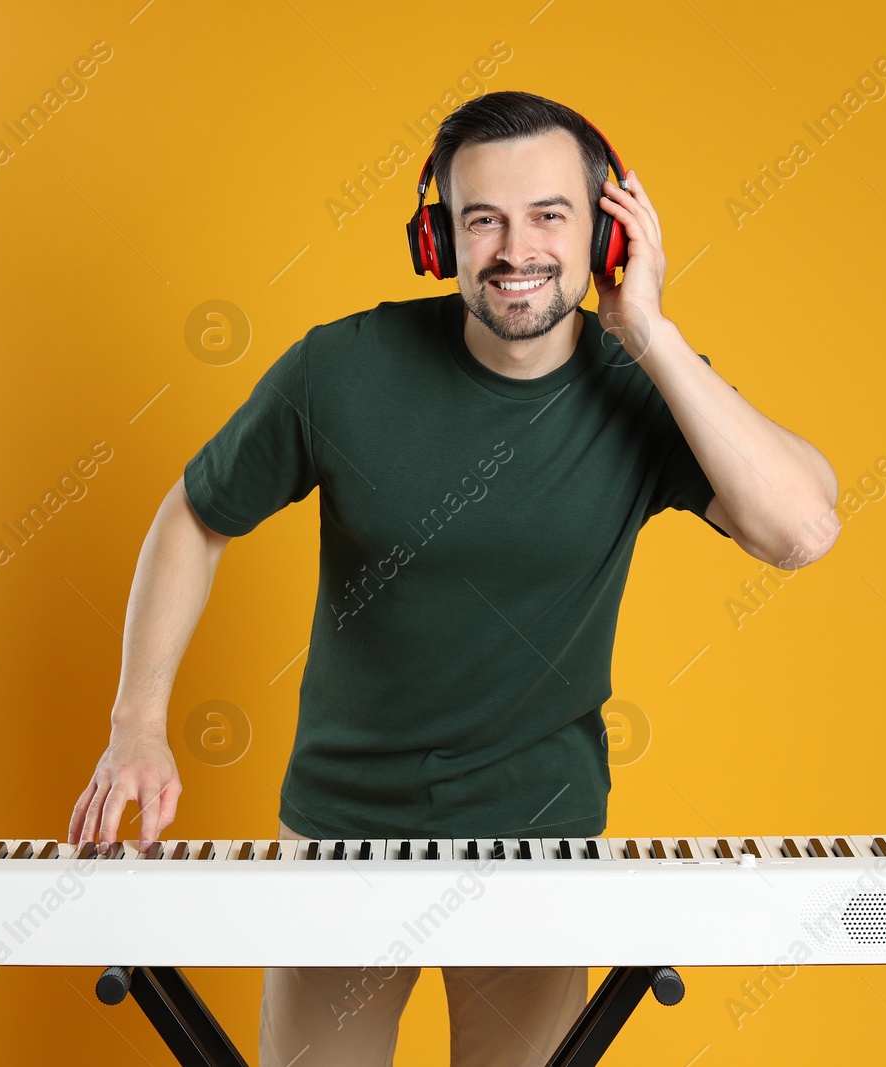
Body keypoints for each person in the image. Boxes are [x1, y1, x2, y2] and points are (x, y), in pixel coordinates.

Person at [67, 90, 840, 1067]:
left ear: (607, 232)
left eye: (551, 214)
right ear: (440, 239)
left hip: (540, 842)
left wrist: (646, 327)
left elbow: (801, 528)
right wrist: (136, 723)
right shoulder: (340, 370)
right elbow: (194, 513)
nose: (517, 248)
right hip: (340, 834)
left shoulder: (641, 387)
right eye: (485, 219)